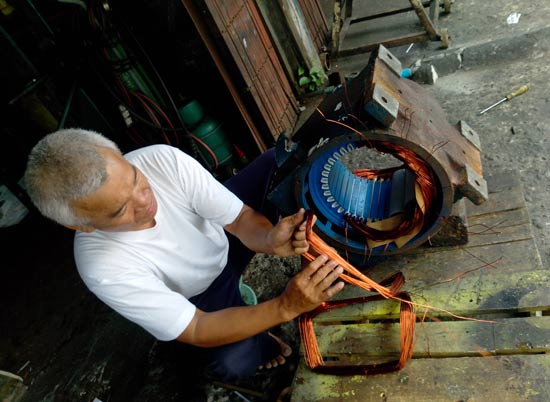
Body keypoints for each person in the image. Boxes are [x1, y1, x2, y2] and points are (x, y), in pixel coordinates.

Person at [23, 128, 344, 382]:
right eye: (122, 209)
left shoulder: (161, 160)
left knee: (280, 162)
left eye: (135, 179)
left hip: (221, 238)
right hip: (199, 296)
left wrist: (269, 238)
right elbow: (197, 328)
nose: (145, 200)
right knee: (234, 363)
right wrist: (285, 307)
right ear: (82, 226)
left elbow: (238, 219)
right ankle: (255, 340)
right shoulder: (103, 268)